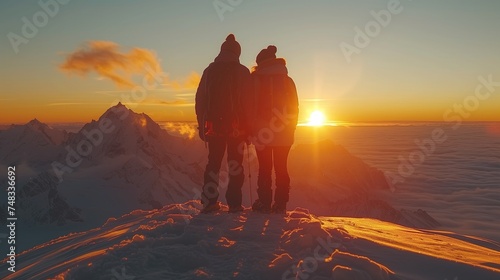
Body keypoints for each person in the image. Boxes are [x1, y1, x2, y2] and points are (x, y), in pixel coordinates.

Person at [195, 34, 251, 213]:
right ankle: (234, 204)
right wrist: (249, 128)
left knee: (214, 163)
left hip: (213, 126)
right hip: (238, 127)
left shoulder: (209, 71)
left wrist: (201, 124)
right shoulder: (242, 71)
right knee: (236, 164)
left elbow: (200, 100)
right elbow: (248, 102)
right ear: (237, 53)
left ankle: (210, 202)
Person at [249, 45, 299, 214]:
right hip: (284, 133)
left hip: (262, 133)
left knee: (264, 168)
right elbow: (295, 107)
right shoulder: (288, 80)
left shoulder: (255, 80)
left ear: (261, 62)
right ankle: (281, 204)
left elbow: (251, 107)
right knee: (281, 168)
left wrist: (250, 130)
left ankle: (264, 202)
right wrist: (291, 128)